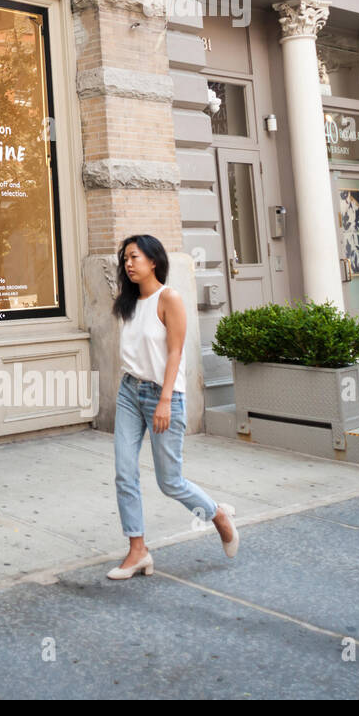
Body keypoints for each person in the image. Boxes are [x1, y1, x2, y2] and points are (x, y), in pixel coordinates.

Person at [109, 234, 239, 579]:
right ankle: (137, 550)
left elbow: (175, 353)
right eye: (125, 260)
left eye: (134, 257)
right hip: (128, 391)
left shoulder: (170, 298)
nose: (129, 264)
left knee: (170, 482)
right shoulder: (128, 302)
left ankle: (217, 515)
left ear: (154, 261)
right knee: (124, 471)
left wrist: (165, 400)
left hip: (162, 395)